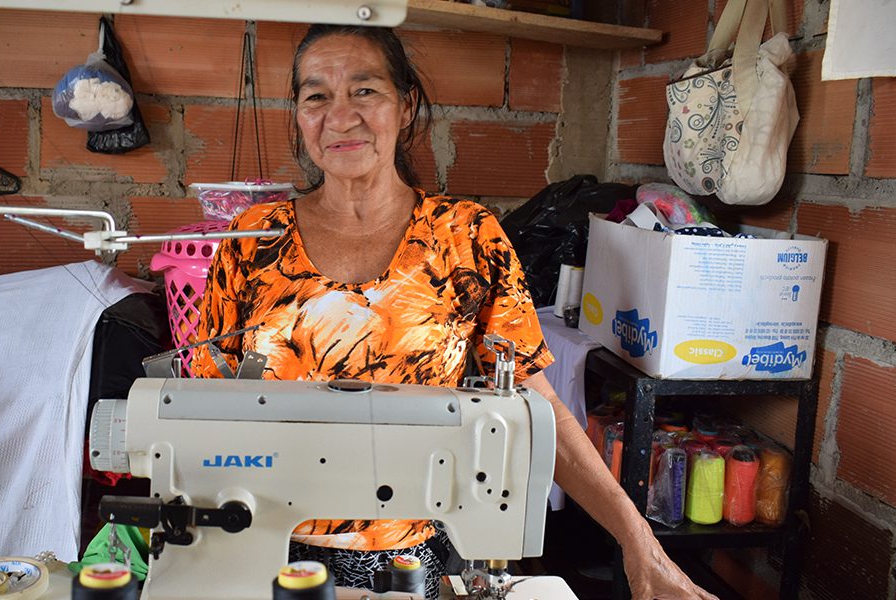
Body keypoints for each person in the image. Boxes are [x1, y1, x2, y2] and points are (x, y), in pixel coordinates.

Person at [193, 24, 718, 600]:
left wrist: (638, 540)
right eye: (316, 96)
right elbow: (203, 404)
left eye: (365, 91)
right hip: (262, 548)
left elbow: (535, 404)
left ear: (406, 104)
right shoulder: (253, 239)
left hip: (413, 563)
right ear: (298, 114)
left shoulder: (466, 237)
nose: (339, 116)